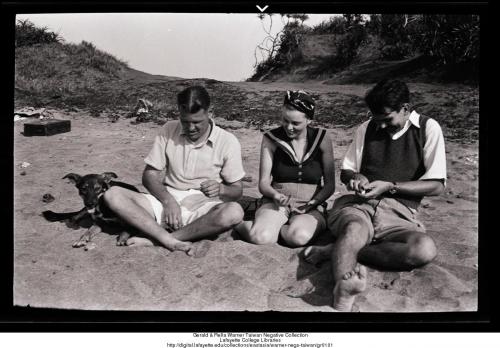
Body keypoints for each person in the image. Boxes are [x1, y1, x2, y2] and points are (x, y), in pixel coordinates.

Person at [304, 79, 447, 312]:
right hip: (360, 204)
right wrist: (356, 178)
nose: (380, 126)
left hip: (400, 212)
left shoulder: (428, 129)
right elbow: (348, 170)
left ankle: (339, 250)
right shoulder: (367, 127)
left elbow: (437, 185)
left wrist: (391, 186)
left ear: (405, 109)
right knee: (354, 230)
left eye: (387, 119)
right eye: (377, 119)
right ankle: (342, 292)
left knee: (424, 249)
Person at [103, 85, 246, 254]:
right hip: (168, 200)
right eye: (185, 122)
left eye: (197, 122)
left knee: (234, 211)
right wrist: (168, 201)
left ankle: (161, 238)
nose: (191, 128)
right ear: (179, 111)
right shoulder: (169, 129)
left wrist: (221, 188)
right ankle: (167, 239)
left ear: (210, 112)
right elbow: (149, 175)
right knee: (112, 194)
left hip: (203, 207)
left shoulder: (228, 141)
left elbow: (237, 191)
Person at [236, 90, 335, 247]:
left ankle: (278, 227)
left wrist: (310, 205)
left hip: (311, 204)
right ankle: (238, 224)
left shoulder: (322, 138)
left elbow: (330, 185)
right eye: (285, 120)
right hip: (277, 201)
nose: (289, 127)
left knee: (298, 237)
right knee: (261, 238)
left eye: (296, 123)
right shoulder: (271, 138)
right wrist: (275, 195)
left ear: (309, 120)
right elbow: (263, 183)